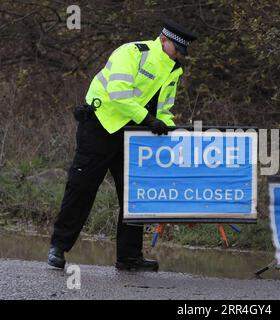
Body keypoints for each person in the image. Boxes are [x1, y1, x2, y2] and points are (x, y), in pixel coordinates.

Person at [48, 20, 198, 271]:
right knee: (81, 188)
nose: (181, 54)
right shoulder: (131, 53)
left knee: (134, 196)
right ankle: (58, 248)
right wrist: (148, 119)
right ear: (164, 40)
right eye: (178, 48)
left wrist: (169, 131)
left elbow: (164, 109)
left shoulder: (174, 70)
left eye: (183, 51)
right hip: (101, 127)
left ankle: (129, 258)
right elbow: (118, 93)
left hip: (134, 135)